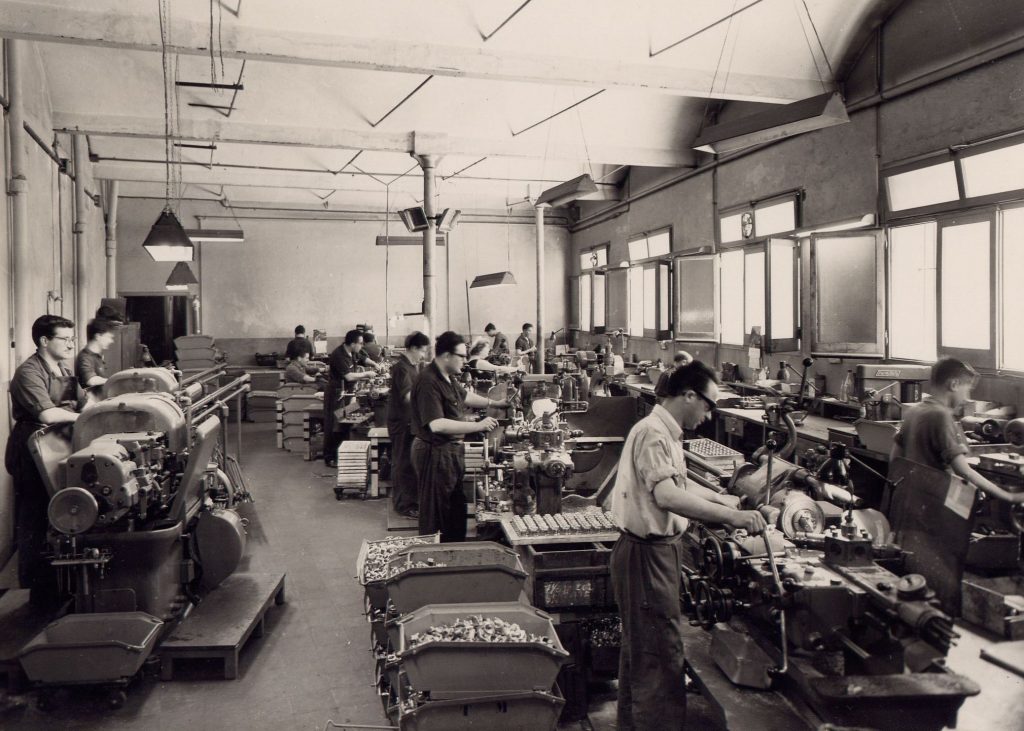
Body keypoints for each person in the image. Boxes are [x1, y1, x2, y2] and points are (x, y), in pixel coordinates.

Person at [609, 361, 767, 730]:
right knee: (659, 654)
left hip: (653, 553)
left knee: (643, 650)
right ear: (689, 396)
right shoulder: (654, 434)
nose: (708, 416)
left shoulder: (664, 432)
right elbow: (667, 496)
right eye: (708, 406)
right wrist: (732, 518)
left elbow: (677, 483)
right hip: (647, 556)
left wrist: (723, 500)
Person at [5, 315, 81, 607]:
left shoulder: (63, 369)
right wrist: (84, 416)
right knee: (35, 518)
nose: (71, 345)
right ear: (44, 341)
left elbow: (84, 401)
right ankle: (39, 595)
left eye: (72, 339)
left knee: (57, 515)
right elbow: (48, 414)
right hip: (32, 450)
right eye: (65, 339)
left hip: (57, 445)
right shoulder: (28, 373)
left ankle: (60, 586)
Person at [410, 331, 507, 541]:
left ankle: (453, 551)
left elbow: (465, 396)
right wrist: (477, 425)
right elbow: (436, 424)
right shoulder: (428, 381)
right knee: (437, 514)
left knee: (454, 509)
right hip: (434, 452)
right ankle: (434, 555)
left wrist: (495, 403)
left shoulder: (446, 376)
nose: (465, 360)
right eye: (461, 356)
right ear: (446, 355)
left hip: (449, 451)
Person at [891, 357, 1024, 504]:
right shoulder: (941, 416)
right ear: (954, 385)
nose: (967, 398)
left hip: (910, 500)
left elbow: (895, 459)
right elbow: (964, 471)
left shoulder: (914, 411)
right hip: (932, 503)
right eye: (967, 390)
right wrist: (1008, 496)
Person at [387, 331, 431, 518]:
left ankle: (410, 502)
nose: (423, 355)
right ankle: (404, 506)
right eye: (422, 351)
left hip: (410, 422)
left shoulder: (413, 366)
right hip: (402, 423)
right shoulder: (402, 368)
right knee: (403, 463)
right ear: (413, 348)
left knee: (409, 463)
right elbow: (407, 396)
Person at [323, 330, 376, 467]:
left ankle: (342, 454)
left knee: (345, 423)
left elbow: (363, 358)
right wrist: (367, 374)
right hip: (336, 394)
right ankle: (330, 457)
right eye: (360, 343)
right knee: (334, 424)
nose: (362, 346)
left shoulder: (352, 351)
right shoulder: (338, 355)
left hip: (347, 392)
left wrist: (375, 365)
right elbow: (349, 376)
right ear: (352, 344)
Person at [76, 318, 118, 398]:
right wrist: (114, 381)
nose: (111, 341)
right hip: (91, 401)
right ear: (98, 336)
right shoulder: (85, 356)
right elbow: (91, 380)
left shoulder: (96, 355)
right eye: (109, 337)